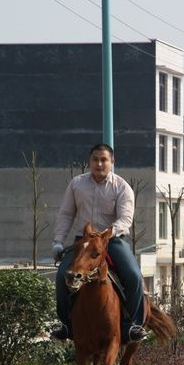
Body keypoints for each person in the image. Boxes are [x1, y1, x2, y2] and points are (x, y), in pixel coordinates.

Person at [51, 143, 147, 343]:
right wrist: (58, 242)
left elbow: (124, 220)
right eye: (95, 159)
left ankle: (133, 326)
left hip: (111, 240)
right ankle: (65, 325)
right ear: (89, 162)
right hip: (83, 241)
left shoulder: (122, 187)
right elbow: (66, 214)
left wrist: (104, 235)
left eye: (104, 160)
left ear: (112, 162)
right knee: (62, 276)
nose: (99, 163)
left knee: (133, 276)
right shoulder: (76, 184)